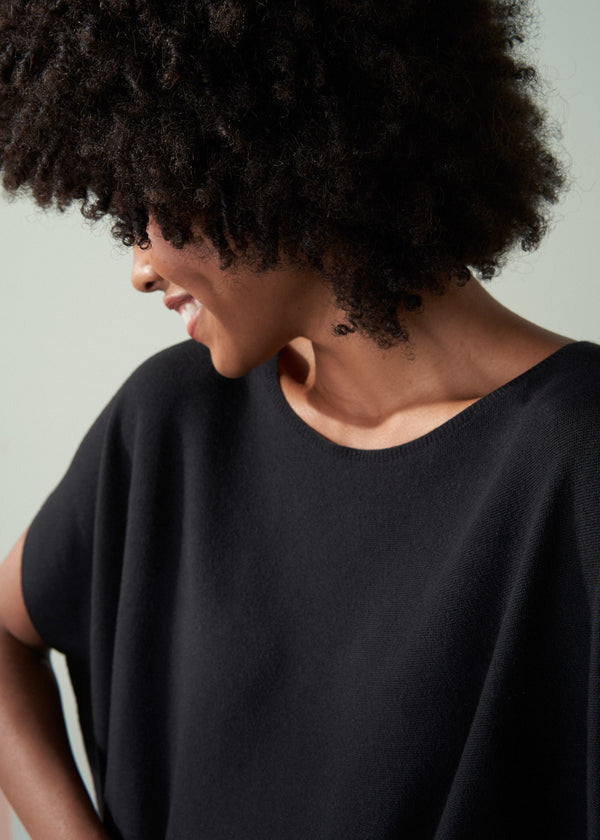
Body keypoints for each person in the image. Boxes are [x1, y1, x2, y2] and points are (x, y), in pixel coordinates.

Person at [0, 1, 598, 838]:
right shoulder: (173, 422)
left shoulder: (577, 464)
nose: (139, 266)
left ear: (263, 160)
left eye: (152, 203)